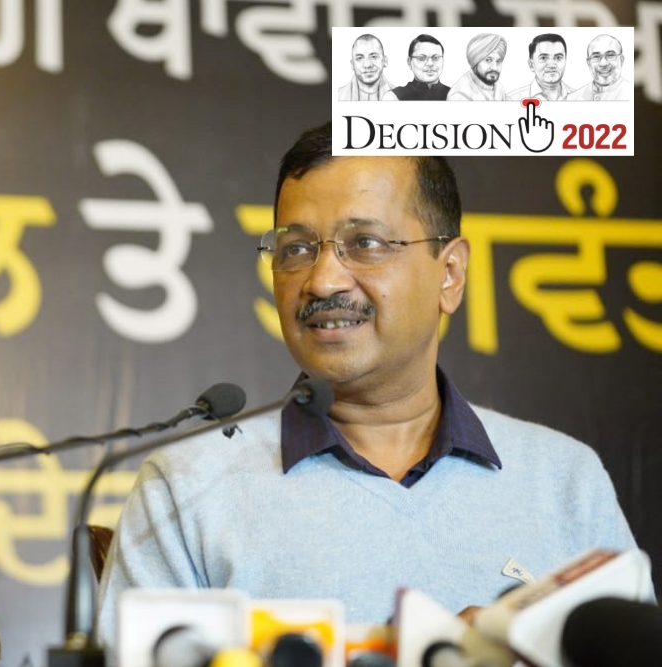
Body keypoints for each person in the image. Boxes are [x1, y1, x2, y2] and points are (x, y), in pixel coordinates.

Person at [95, 122, 641, 646]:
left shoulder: (564, 480)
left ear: (449, 274)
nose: (323, 280)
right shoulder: (187, 488)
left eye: (366, 243)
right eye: (296, 249)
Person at [508, 34, 575, 102]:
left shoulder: (581, 97)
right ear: (531, 65)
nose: (551, 65)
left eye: (558, 57)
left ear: (565, 61)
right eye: (543, 58)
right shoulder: (512, 100)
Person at [567, 34, 630, 100]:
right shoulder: (573, 98)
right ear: (588, 63)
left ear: (621, 60)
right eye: (596, 56)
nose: (603, 63)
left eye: (610, 55)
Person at [448, 33, 509, 100]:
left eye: (498, 61)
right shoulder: (459, 96)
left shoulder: (498, 87)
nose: (495, 67)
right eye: (488, 60)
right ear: (475, 61)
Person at [389, 34, 450, 101]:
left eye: (436, 58)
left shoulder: (454, 95)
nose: (430, 64)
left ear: (443, 61)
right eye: (422, 58)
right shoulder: (394, 96)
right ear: (409, 62)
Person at [338, 34, 395, 101]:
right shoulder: (337, 96)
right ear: (352, 64)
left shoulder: (401, 97)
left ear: (385, 61)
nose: (367, 65)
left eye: (373, 57)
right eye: (359, 58)